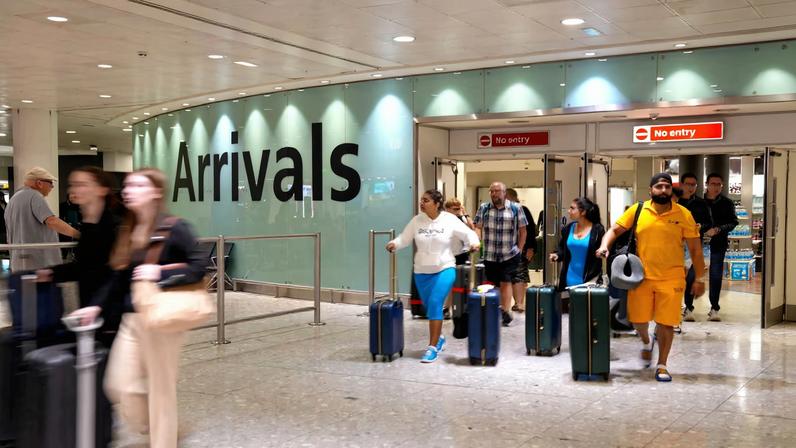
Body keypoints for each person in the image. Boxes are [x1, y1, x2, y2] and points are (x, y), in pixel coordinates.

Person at [69, 168, 206, 447]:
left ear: (156, 192)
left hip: (163, 316)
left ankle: (163, 439)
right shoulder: (129, 229)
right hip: (132, 319)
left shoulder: (175, 227)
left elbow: (199, 265)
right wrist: (96, 307)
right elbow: (118, 276)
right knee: (118, 384)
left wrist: (161, 272)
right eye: (128, 186)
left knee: (161, 391)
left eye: (139, 186)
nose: (129, 190)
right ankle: (154, 425)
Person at [597, 173, 705, 382]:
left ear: (671, 190)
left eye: (667, 187)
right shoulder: (638, 210)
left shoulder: (683, 214)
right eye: (659, 186)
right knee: (638, 320)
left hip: (672, 277)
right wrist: (604, 246)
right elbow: (614, 230)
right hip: (641, 277)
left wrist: (700, 278)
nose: (663, 190)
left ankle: (662, 365)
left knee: (666, 323)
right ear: (650, 190)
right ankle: (647, 342)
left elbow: (695, 249)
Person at [387, 190, 479, 363]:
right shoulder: (417, 220)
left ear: (437, 204)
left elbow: (468, 234)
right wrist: (395, 244)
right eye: (421, 200)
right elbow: (404, 238)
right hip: (421, 272)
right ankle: (440, 338)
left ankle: (432, 347)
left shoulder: (449, 219)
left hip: (445, 268)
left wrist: (474, 243)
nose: (422, 203)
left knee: (436, 303)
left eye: (426, 200)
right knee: (431, 309)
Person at [37, 167, 122, 346]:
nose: (74, 189)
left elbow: (116, 274)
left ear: (102, 190)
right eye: (73, 184)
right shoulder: (89, 225)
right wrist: (51, 273)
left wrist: (98, 305)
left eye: (82, 184)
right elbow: (85, 267)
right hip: (90, 309)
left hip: (110, 313)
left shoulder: (114, 227)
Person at [473, 182, 528, 326]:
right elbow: (478, 226)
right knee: (495, 283)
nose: (494, 194)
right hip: (490, 253)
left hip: (509, 253)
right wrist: (477, 239)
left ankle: (506, 310)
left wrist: (519, 249)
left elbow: (523, 231)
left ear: (504, 193)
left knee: (506, 281)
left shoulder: (516, 208)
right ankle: (498, 308)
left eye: (497, 191)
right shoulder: (484, 208)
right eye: (491, 191)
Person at [4, 167, 79, 272]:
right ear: (39, 183)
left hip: (18, 259)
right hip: (38, 261)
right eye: (50, 183)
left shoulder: (13, 199)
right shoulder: (35, 196)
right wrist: (78, 235)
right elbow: (52, 221)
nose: (52, 187)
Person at [702, 172, 738, 322]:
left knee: (716, 275)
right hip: (698, 243)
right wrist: (704, 229)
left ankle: (714, 308)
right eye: (713, 184)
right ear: (707, 184)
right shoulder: (698, 202)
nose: (716, 187)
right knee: (692, 274)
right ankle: (688, 307)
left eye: (719, 184)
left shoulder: (727, 203)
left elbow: (733, 222)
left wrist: (718, 229)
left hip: (718, 243)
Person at [549, 197, 605, 291]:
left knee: (586, 300)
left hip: (589, 279)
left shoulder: (597, 230)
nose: (569, 211)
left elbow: (603, 249)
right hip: (569, 277)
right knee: (568, 300)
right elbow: (562, 249)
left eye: (572, 208)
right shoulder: (568, 228)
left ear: (583, 212)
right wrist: (557, 255)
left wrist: (601, 253)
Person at [677, 173, 711, 322]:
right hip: (676, 245)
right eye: (687, 184)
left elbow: (709, 222)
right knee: (678, 278)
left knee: (691, 277)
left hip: (694, 244)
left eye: (693, 185)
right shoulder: (675, 201)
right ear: (681, 184)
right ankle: (675, 307)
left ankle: (689, 308)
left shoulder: (701, 203)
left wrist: (700, 226)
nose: (690, 187)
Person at [505, 188, 537, 312]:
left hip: (520, 248)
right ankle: (515, 303)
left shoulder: (522, 210)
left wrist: (531, 247)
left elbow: (531, 230)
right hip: (505, 249)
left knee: (518, 275)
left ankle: (519, 303)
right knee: (510, 276)